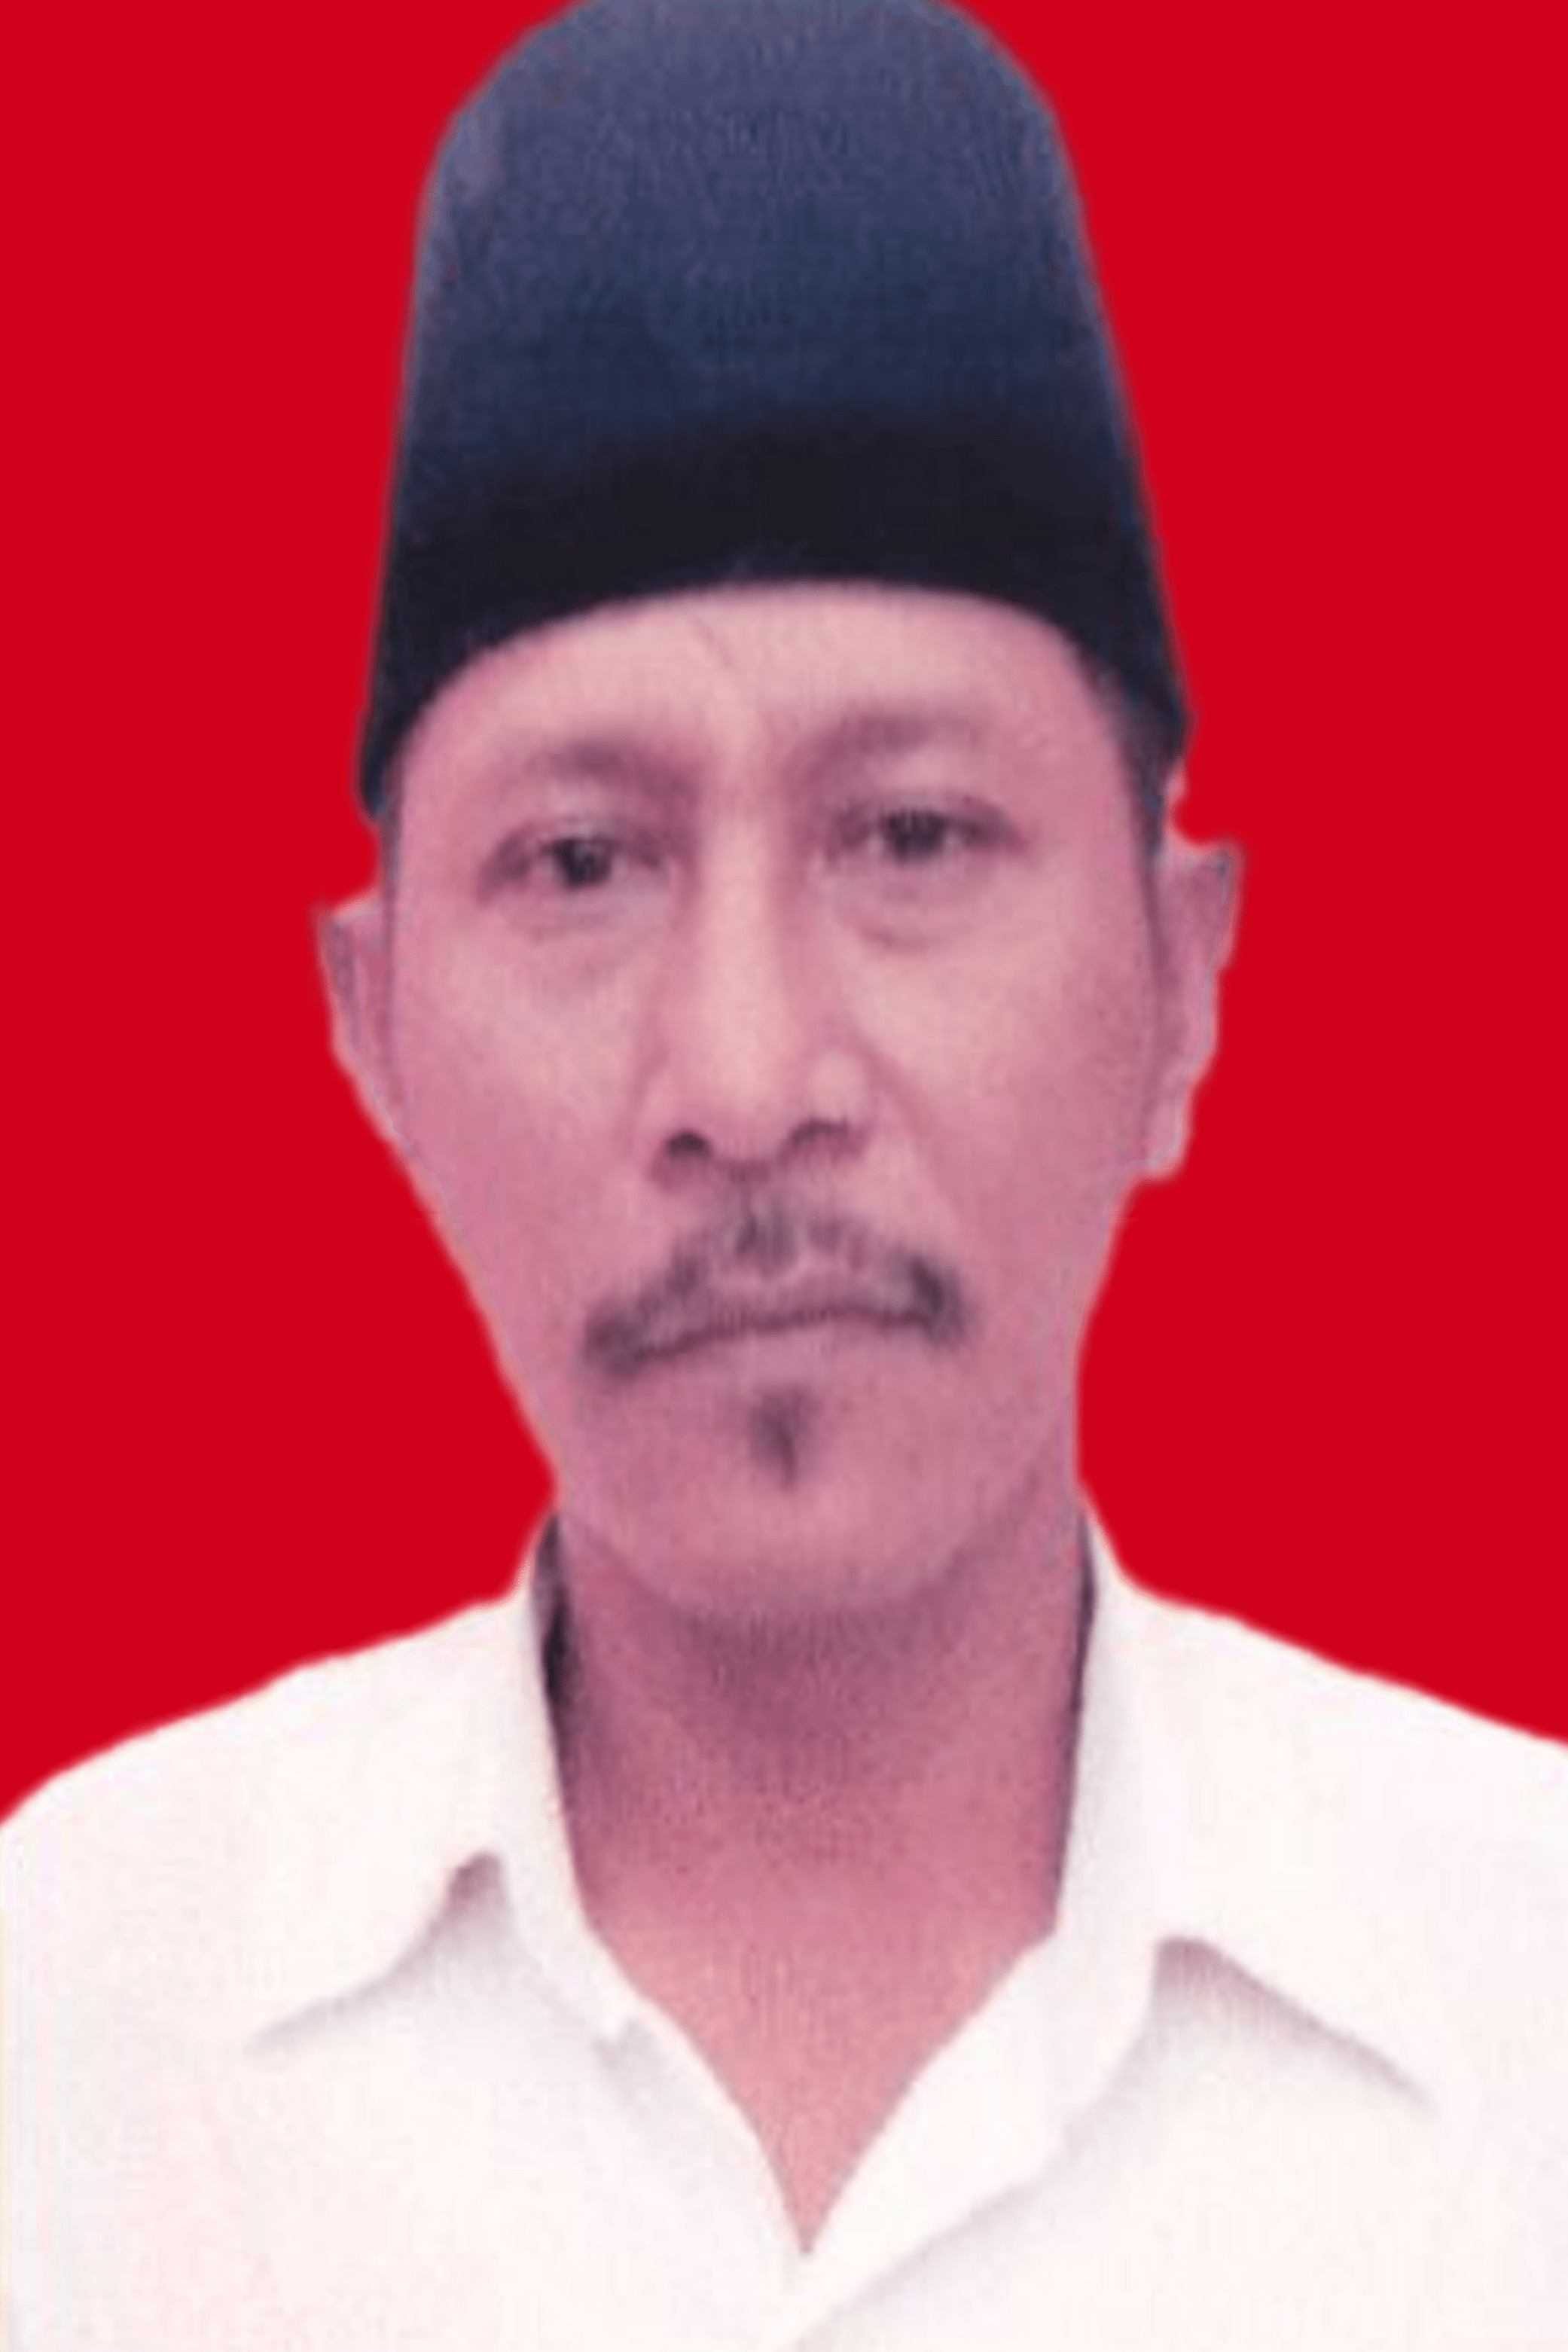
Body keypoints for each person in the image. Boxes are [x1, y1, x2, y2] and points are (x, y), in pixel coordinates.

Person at [5, 2, 1565, 2345]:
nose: (742, 1076)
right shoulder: (71, 2031)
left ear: (1179, 979)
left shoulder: (1526, 2016)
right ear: (373, 1026)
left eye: (911, 834)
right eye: (578, 861)